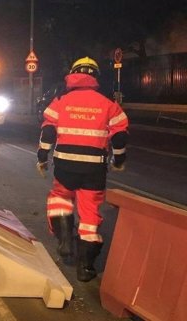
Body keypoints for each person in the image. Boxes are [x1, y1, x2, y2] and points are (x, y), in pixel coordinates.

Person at [36, 57, 128, 282]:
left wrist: (42, 158)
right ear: (95, 76)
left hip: (65, 166)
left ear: (73, 74)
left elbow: (48, 133)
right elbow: (119, 136)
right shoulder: (108, 104)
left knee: (60, 199)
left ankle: (65, 240)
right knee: (90, 215)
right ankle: (86, 267)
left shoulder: (60, 100)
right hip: (94, 171)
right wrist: (118, 160)